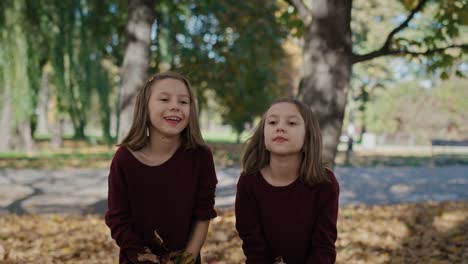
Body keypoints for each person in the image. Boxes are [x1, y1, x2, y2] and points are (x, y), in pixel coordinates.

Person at [105, 72, 217, 264]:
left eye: (183, 102)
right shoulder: (124, 158)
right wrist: (141, 255)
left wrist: (188, 257)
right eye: (164, 99)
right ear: (145, 107)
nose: (175, 106)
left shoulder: (201, 157)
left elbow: (203, 214)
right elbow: (118, 219)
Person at [235, 98, 340, 264]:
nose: (280, 127)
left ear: (308, 136)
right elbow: (253, 246)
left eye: (291, 123)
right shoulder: (248, 182)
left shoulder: (325, 184)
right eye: (272, 122)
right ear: (263, 135)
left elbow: (324, 246)